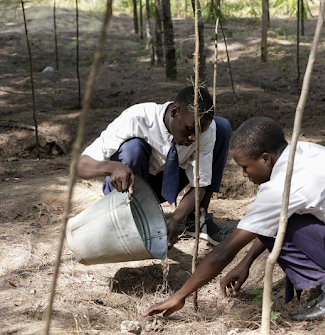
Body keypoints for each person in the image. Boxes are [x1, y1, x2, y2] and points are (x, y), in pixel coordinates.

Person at [143, 117, 325, 321]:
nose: (245, 175)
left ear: (265, 158)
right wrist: (247, 263)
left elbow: (224, 252)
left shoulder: (283, 185)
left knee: (287, 223)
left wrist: (179, 296)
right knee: (284, 220)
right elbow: (269, 225)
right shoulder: (304, 151)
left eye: (245, 167)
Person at [76, 86, 233, 247]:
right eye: (189, 129)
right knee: (133, 149)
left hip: (164, 185)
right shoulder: (137, 117)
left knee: (222, 127)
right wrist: (112, 167)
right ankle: (127, 217)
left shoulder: (205, 131)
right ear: (174, 112)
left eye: (199, 132)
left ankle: (197, 219)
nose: (194, 138)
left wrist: (176, 218)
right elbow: (80, 166)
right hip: (128, 185)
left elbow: (200, 184)